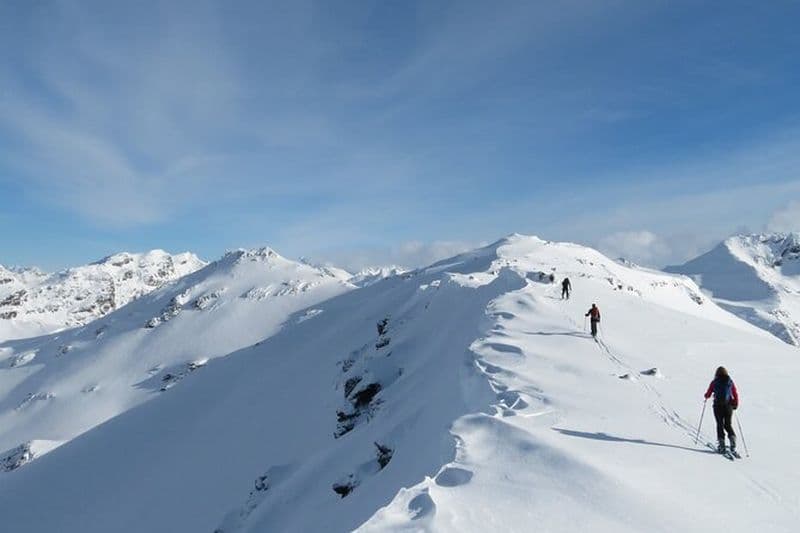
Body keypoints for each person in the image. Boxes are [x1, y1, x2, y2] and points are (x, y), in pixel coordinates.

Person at [704, 366, 739, 453]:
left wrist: (706, 396)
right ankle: (732, 439)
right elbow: (735, 393)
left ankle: (722, 444)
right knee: (728, 424)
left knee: (719, 424)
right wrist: (735, 404)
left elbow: (708, 393)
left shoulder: (714, 382)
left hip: (718, 406)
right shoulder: (730, 382)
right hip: (728, 406)